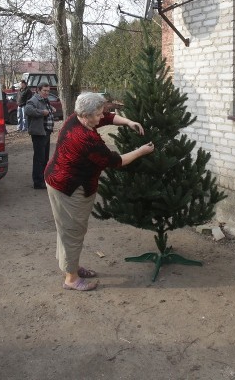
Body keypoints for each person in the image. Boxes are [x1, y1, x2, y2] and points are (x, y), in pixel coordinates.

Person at [44, 92, 154, 292]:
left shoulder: (76, 118)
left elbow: (109, 117)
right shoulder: (85, 138)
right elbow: (116, 161)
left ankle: (72, 267)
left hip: (63, 179)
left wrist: (128, 122)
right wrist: (142, 151)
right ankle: (71, 278)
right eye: (98, 114)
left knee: (69, 229)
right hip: (67, 188)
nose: (102, 116)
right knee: (72, 231)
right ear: (85, 116)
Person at [24, 83, 55, 189]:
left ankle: (43, 179)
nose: (47, 93)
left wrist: (51, 109)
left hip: (46, 132)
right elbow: (28, 110)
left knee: (45, 158)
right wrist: (42, 112)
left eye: (48, 91)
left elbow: (45, 108)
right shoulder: (34, 100)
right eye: (44, 91)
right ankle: (38, 182)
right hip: (39, 133)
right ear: (38, 90)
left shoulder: (44, 99)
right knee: (39, 158)